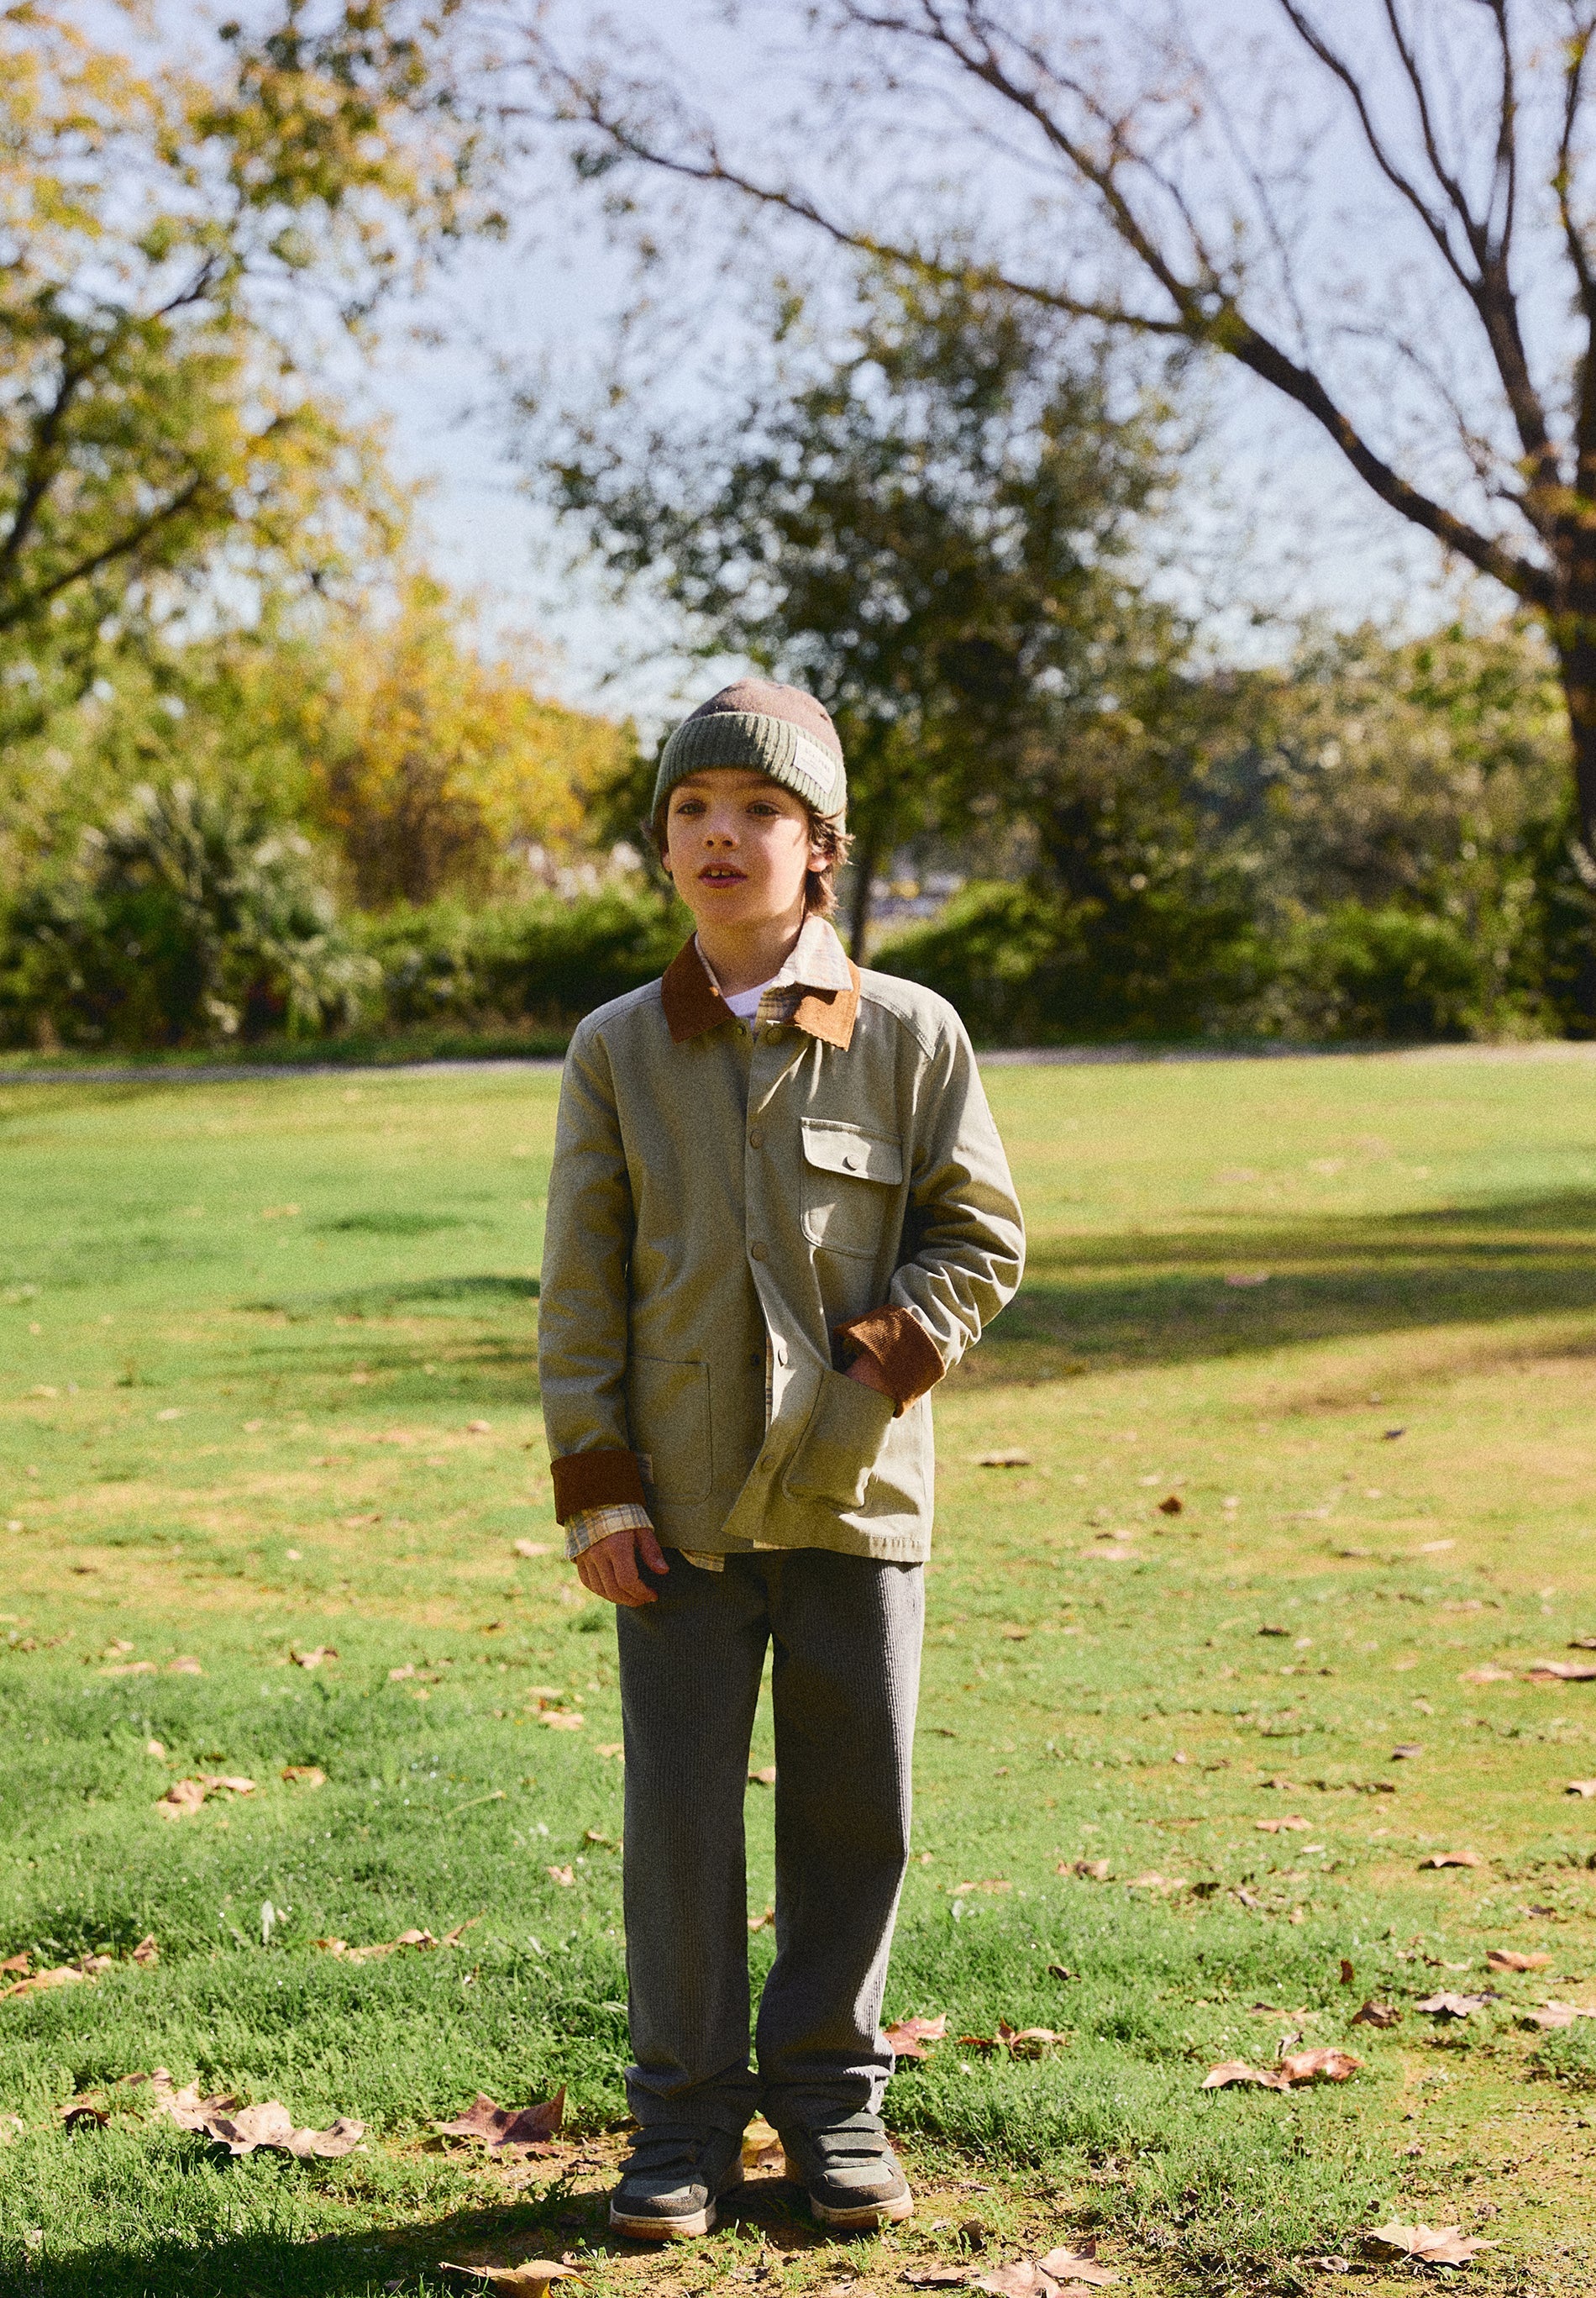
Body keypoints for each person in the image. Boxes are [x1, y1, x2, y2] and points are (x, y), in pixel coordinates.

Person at [538, 678, 1025, 2242]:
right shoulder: (618, 1049)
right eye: (692, 812)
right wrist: (597, 1487)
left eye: (758, 812)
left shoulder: (910, 1035)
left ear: (821, 848)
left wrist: (871, 1380)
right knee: (679, 1820)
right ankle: (677, 2126)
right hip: (669, 1511)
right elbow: (579, 1289)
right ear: (665, 847)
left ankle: (832, 2109)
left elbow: (980, 1236)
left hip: (854, 1500)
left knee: (852, 1810)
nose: (721, 836)